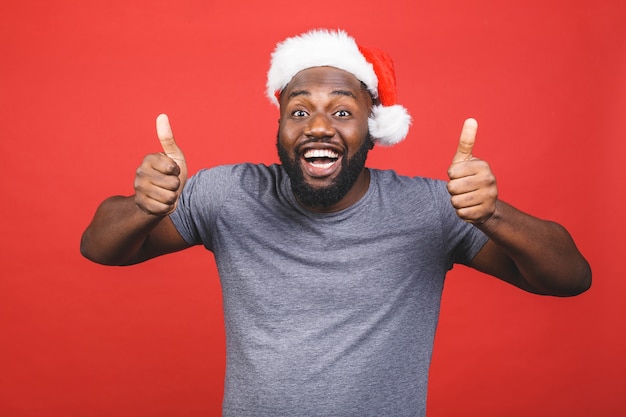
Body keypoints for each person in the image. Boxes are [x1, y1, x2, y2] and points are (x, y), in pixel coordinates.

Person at [81, 29, 591, 417]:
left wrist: (492, 213)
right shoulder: (228, 194)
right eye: (299, 112)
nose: (319, 126)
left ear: (372, 128)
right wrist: (143, 205)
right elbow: (101, 246)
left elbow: (570, 278)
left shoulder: (430, 210)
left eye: (342, 112)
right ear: (279, 128)